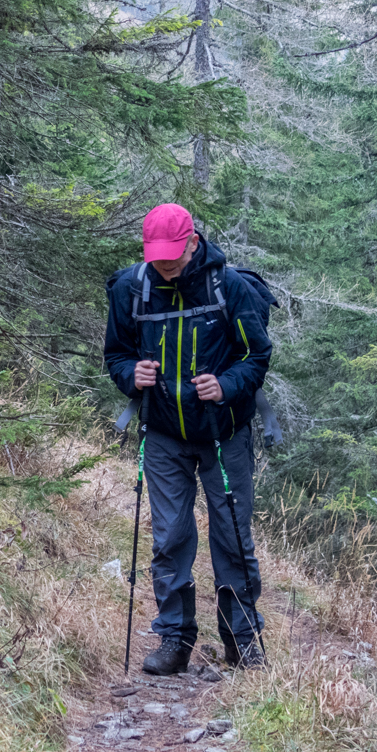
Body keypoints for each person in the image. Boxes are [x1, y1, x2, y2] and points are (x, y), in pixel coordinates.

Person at [104, 203, 271, 674]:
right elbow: (115, 354)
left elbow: (256, 355)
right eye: (157, 259)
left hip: (225, 434)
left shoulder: (230, 289)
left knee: (233, 538)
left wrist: (227, 384)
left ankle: (242, 640)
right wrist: (129, 375)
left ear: (193, 242)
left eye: (173, 258)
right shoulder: (130, 289)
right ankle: (175, 640)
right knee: (171, 537)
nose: (166, 267)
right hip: (162, 434)